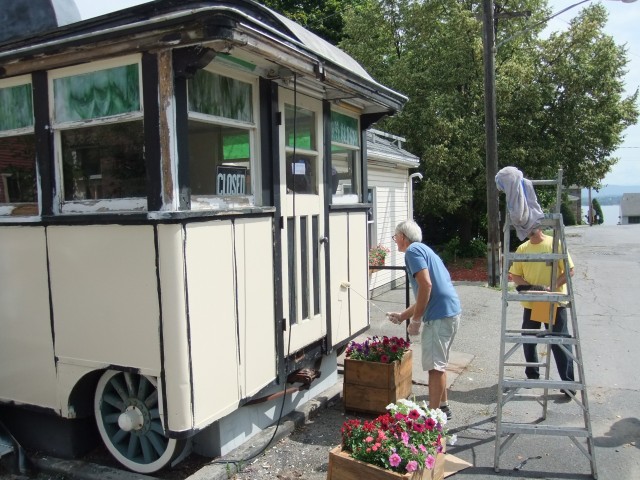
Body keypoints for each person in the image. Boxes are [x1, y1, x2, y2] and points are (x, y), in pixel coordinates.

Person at [387, 220, 462, 419]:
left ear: (402, 237)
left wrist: (416, 321)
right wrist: (404, 316)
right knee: (439, 364)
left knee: (434, 368)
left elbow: (426, 286)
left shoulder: (412, 252)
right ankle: (443, 407)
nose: (395, 242)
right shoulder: (426, 251)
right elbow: (427, 291)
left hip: (439, 316)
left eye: (395, 238)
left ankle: (433, 418)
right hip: (449, 312)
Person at [509, 227, 575, 395]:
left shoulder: (555, 244)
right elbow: (515, 275)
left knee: (559, 342)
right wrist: (533, 289)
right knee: (529, 339)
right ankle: (532, 376)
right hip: (532, 303)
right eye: (525, 228)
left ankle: (568, 384)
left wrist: (549, 289)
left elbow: (569, 271)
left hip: (554, 302)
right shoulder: (522, 249)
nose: (528, 231)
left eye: (531, 227)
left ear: (539, 226)